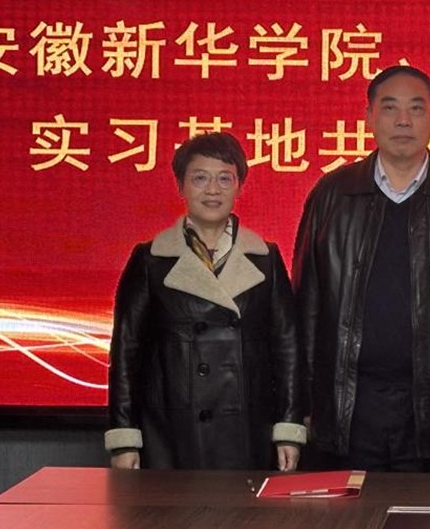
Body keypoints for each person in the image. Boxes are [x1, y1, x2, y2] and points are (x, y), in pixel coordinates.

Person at [293, 65, 430, 472]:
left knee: (429, 513)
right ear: (369, 117)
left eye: (416, 108)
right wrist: (304, 403)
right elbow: (307, 305)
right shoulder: (333, 195)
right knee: (348, 512)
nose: (403, 120)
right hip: (350, 404)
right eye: (390, 108)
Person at [105, 132, 305, 470]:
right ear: (180, 186)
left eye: (224, 178)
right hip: (171, 430)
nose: (213, 189)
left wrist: (288, 429)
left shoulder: (265, 259)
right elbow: (126, 352)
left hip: (248, 429)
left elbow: (287, 348)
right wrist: (125, 438)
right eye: (200, 178)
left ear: (239, 187)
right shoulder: (151, 259)